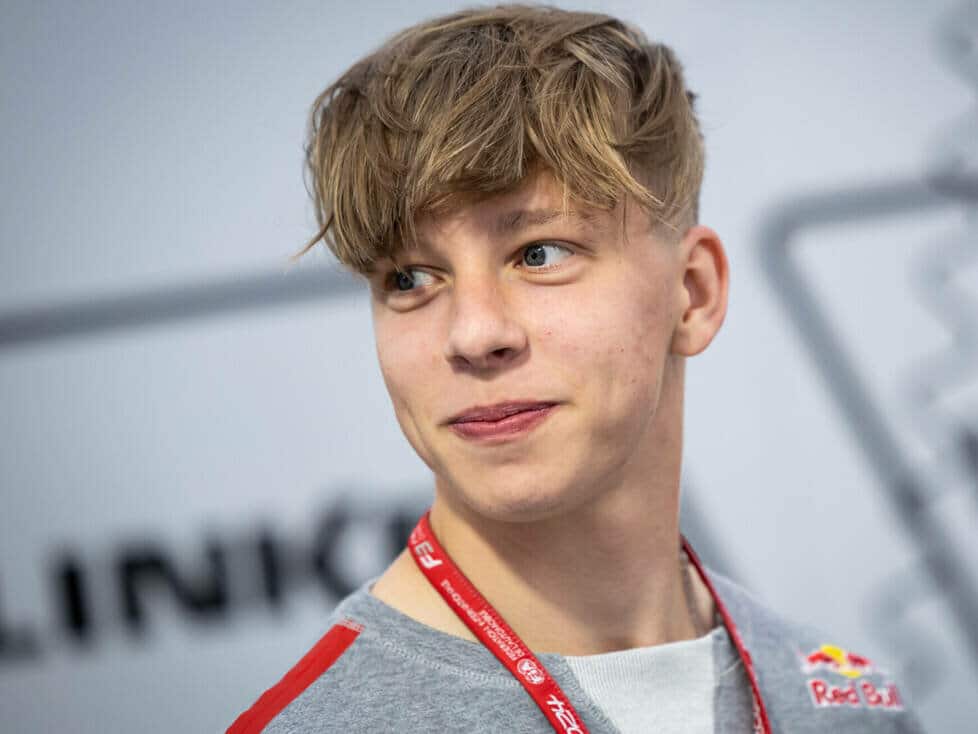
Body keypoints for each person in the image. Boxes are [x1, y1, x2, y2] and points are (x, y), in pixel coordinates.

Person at [229, 5, 923, 733]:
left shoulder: (850, 708)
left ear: (693, 293)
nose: (473, 334)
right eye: (410, 278)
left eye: (540, 254)